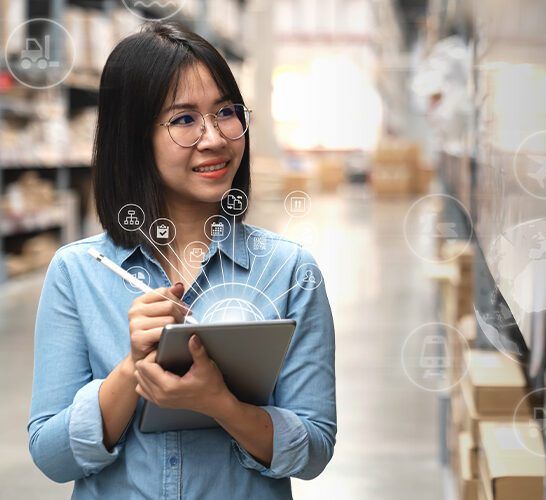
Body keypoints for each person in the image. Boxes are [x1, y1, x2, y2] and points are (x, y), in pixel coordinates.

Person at [28, 22, 336, 499]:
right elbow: (52, 456)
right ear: (133, 138)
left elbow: (314, 450)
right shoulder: (79, 273)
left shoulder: (290, 271)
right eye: (184, 120)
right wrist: (133, 369)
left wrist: (220, 404)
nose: (214, 138)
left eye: (226, 113)